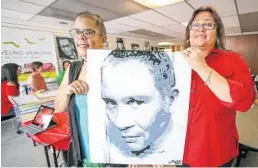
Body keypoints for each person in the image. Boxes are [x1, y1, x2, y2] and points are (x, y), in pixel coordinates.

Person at [179, 6, 255, 167]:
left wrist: (202, 67)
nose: (201, 29)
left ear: (217, 32)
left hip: (216, 153)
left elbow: (245, 102)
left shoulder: (234, 60)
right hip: (179, 150)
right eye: (195, 24)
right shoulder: (174, 63)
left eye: (208, 24)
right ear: (189, 33)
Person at [100, 50, 178, 163]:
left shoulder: (188, 149)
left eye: (136, 102)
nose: (119, 123)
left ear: (169, 100)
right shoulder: (107, 148)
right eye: (111, 103)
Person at [54, 11, 107, 167]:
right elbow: (59, 107)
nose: (81, 37)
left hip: (114, 153)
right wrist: (67, 90)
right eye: (77, 32)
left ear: (103, 38)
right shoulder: (72, 69)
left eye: (88, 32)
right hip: (85, 150)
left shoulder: (117, 66)